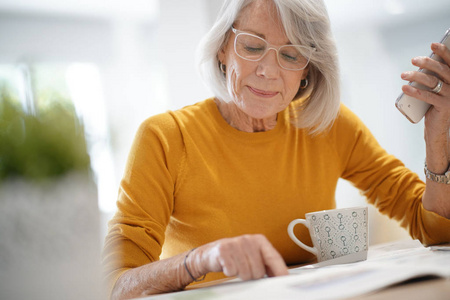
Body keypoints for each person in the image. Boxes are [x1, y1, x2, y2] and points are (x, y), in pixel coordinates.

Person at [102, 0, 450, 299]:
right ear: (223, 48)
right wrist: (201, 259)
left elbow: (435, 230)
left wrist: (437, 138)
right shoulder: (165, 137)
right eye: (252, 46)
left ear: (307, 70)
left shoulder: (329, 125)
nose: (269, 71)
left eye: (291, 54)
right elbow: (118, 286)